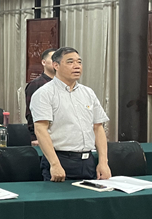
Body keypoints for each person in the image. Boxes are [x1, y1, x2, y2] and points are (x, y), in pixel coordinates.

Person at [30, 47, 111, 182]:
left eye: (79, 62)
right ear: (56, 65)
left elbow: (98, 127)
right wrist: (55, 164)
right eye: (70, 62)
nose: (76, 66)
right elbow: (40, 130)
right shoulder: (44, 93)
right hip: (61, 160)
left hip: (88, 162)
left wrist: (103, 162)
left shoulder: (88, 93)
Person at [25, 48, 56, 142]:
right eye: (53, 59)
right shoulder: (36, 84)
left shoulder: (63, 84)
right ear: (43, 62)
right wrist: (35, 136)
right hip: (41, 136)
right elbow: (31, 113)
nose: (56, 62)